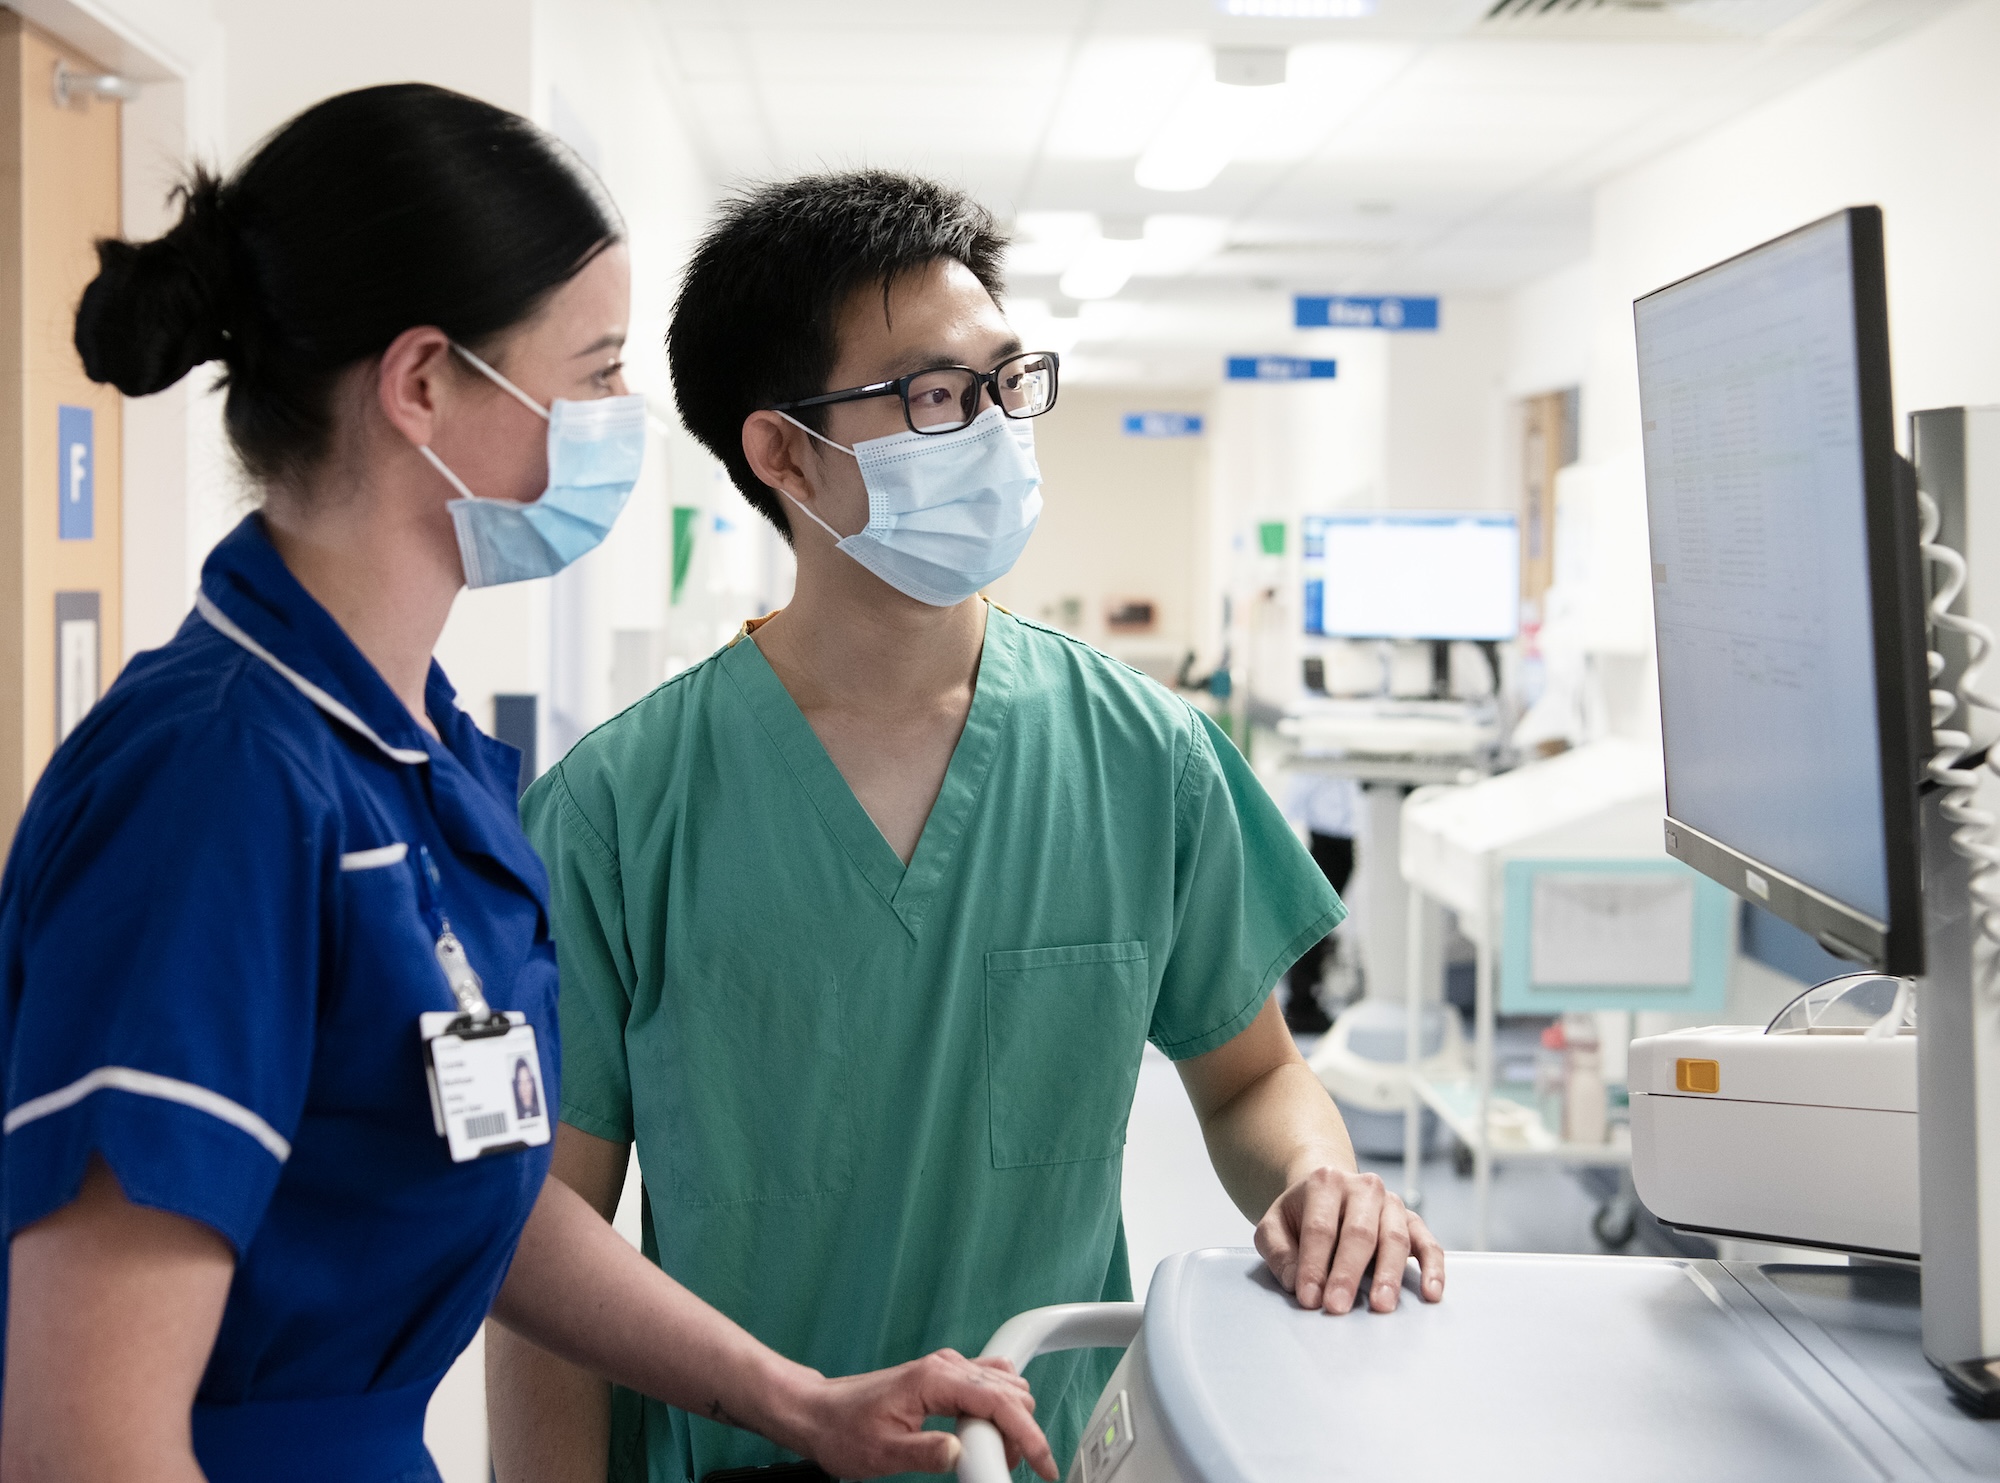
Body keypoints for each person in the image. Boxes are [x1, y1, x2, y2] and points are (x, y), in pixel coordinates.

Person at [0, 90, 1050, 1483]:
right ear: (424, 384)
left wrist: (799, 1402)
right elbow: (89, 1441)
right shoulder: (215, 786)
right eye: (599, 367)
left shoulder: (401, 752)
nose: (626, 418)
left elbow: (477, 1175)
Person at [491, 170, 1446, 1483]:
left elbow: (1251, 1079)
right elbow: (546, 1242)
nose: (993, 427)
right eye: (937, 396)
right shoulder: (617, 810)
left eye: (1008, 383)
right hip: (733, 1460)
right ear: (781, 454)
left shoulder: (1141, 755)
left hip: (1043, 1448)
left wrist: (1315, 1180)